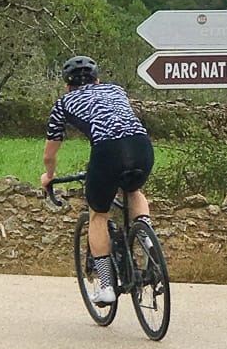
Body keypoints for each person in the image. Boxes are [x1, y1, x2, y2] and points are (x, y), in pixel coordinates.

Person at [41, 55, 154, 306]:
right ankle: (147, 238)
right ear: (97, 79)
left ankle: (105, 287)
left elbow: (50, 152)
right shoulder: (116, 89)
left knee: (98, 215)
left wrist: (49, 177)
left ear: (67, 85)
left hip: (107, 152)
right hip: (141, 146)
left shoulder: (63, 103)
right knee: (134, 190)